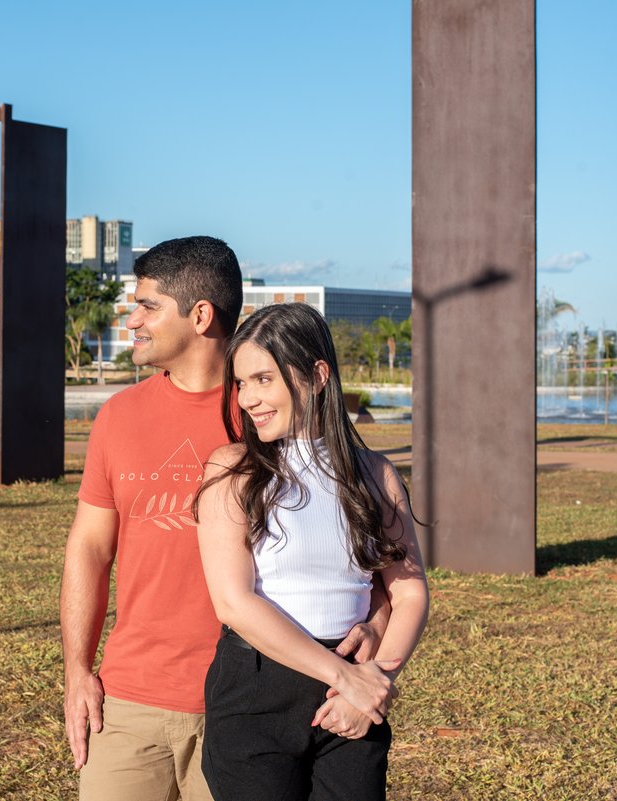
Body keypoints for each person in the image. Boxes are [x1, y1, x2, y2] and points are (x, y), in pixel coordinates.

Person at [61, 237, 387, 801]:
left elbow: (362, 557)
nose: (132, 319)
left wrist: (374, 635)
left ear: (201, 315)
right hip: (132, 699)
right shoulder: (119, 417)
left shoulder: (272, 414)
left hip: (252, 701)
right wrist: (76, 671)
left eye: (147, 306)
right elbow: (89, 549)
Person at [195, 302, 430, 801]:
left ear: (317, 375)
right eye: (241, 383)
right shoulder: (231, 470)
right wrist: (345, 677)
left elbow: (409, 594)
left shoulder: (375, 474)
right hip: (255, 692)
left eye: (263, 379)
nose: (248, 399)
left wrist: (372, 683)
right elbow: (233, 603)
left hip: (353, 696)